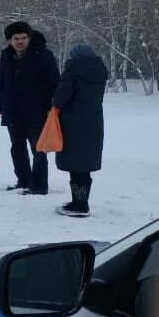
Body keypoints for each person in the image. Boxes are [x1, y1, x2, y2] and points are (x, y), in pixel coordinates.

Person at [0, 21, 59, 195]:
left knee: (38, 149)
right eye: (16, 39)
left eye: (23, 38)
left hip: (37, 111)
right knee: (17, 147)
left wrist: (52, 107)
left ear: (29, 38)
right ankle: (23, 180)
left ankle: (39, 185)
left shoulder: (44, 55)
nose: (20, 41)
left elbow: (54, 83)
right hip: (12, 110)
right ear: (9, 40)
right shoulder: (6, 56)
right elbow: (2, 83)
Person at [51, 44, 108, 217]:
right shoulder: (100, 72)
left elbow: (61, 98)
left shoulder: (72, 71)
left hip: (72, 123)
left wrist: (55, 101)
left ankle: (79, 205)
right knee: (84, 164)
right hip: (93, 123)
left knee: (75, 164)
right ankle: (81, 201)